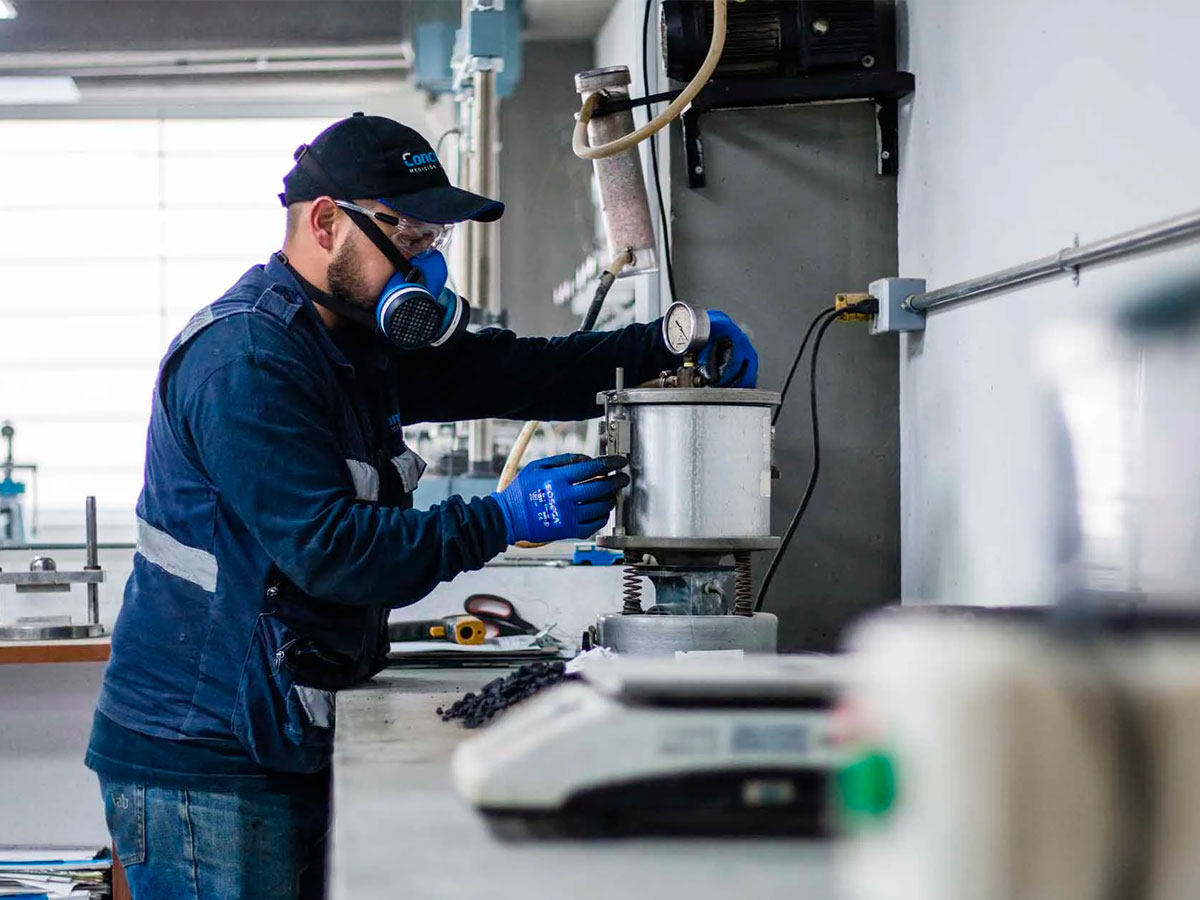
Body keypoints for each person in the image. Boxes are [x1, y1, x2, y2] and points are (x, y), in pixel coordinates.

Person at [84, 113, 758, 899]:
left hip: (275, 729)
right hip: (203, 761)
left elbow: (520, 372)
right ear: (326, 223)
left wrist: (666, 343)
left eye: (434, 241)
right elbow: (332, 551)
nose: (425, 267)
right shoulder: (249, 362)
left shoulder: (351, 344)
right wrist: (504, 518)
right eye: (407, 238)